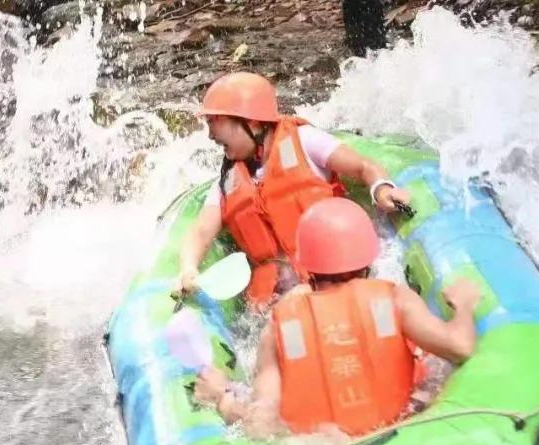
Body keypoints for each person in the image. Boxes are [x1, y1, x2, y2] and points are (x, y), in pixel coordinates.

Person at [193, 197, 481, 439]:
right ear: (368, 261)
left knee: (235, 401)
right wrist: (464, 305)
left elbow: (260, 424)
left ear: (307, 269)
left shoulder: (279, 325)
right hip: (403, 429)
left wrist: (223, 400)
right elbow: (460, 346)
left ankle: (218, 394)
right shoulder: (395, 298)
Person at [175, 71, 412, 306]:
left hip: (338, 270)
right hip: (285, 297)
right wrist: (188, 269)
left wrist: (382, 189)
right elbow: (201, 231)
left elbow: (363, 167)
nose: (210, 135)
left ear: (252, 123)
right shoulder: (227, 181)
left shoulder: (304, 141)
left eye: (214, 122)